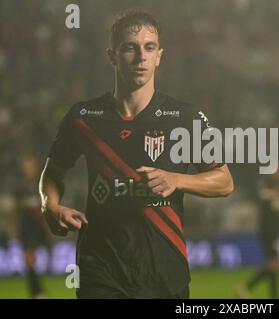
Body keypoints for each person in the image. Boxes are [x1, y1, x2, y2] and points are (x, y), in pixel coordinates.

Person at [39, 10, 233, 299]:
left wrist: (177, 179)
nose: (141, 56)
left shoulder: (184, 118)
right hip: (100, 268)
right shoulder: (84, 117)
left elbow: (224, 181)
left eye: (149, 47)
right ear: (112, 56)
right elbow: (53, 173)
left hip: (163, 272)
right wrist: (49, 205)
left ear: (159, 56)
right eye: (130, 47)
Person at [236, 163, 279, 299]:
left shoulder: (276, 189)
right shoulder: (268, 186)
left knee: (274, 264)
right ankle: (246, 287)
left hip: (273, 230)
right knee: (273, 264)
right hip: (268, 230)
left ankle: (273, 296)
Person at [15, 155, 50, 298]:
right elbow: (17, 208)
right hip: (24, 228)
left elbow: (45, 206)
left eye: (30, 165)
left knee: (29, 259)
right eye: (25, 165)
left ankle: (38, 292)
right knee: (28, 260)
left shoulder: (40, 184)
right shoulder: (21, 186)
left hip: (35, 229)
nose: (28, 168)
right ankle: (37, 292)